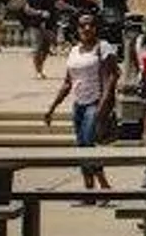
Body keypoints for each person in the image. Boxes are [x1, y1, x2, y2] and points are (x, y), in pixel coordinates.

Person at [42, 13, 119, 191]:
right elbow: (68, 82)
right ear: (77, 29)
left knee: (87, 145)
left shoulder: (103, 47)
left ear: (96, 28)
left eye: (90, 25)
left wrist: (104, 105)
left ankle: (97, 187)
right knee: (81, 146)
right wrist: (52, 108)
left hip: (95, 102)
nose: (86, 28)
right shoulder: (74, 51)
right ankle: (94, 187)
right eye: (82, 25)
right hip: (79, 105)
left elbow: (112, 77)